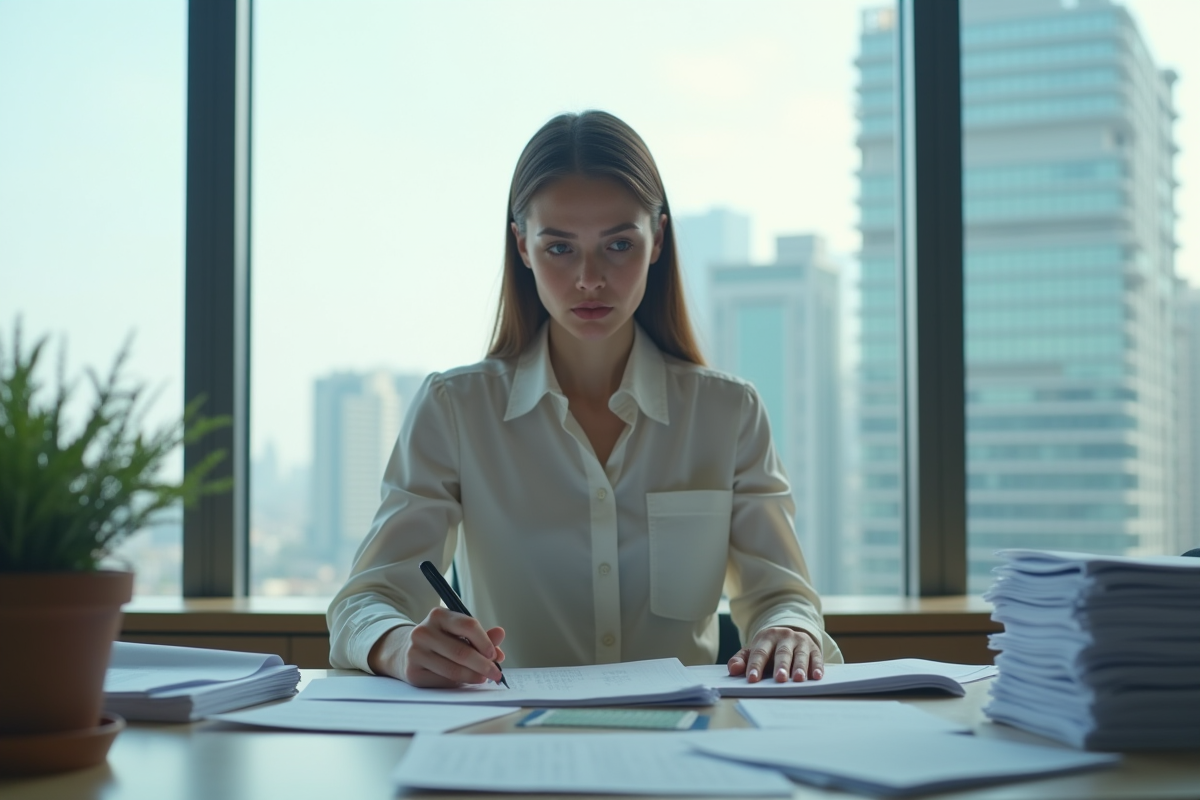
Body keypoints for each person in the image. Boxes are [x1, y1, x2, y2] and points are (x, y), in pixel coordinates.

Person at [327, 110, 843, 688]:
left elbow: (780, 595)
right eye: (560, 248)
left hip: (679, 748)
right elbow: (365, 600)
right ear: (522, 246)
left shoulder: (729, 414)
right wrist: (398, 646)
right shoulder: (455, 409)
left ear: (658, 241)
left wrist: (791, 630)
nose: (590, 279)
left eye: (619, 244)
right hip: (510, 741)